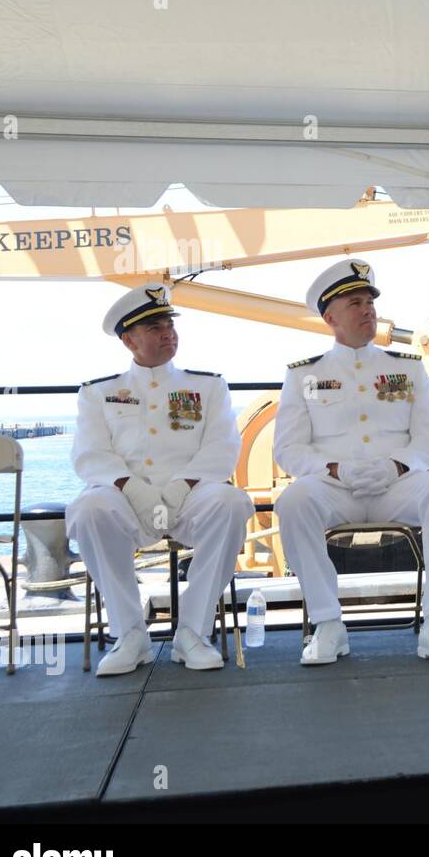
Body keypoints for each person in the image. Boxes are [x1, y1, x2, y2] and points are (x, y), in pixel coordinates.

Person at [272, 258, 429, 666]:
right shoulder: (303, 375)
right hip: (335, 489)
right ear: (330, 317)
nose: (368, 310)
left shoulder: (407, 369)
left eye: (370, 302)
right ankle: (328, 624)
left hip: (396, 486)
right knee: (292, 502)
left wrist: (397, 466)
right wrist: (334, 469)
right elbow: (288, 450)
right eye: (356, 303)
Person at [67, 284, 253, 676]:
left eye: (169, 324)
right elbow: (91, 454)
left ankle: (193, 633)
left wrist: (178, 488)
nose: (168, 332)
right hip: (127, 503)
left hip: (188, 499)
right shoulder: (98, 393)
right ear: (128, 339)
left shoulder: (207, 386)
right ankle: (130, 634)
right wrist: (133, 489)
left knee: (233, 503)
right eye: (154, 327)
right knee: (88, 508)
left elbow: (221, 446)